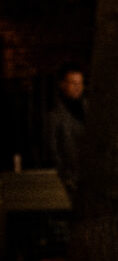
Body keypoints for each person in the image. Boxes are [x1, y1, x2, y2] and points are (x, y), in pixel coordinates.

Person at [42, 63, 86, 204]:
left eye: (80, 83)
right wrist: (66, 177)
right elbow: (52, 150)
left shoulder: (89, 110)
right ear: (63, 85)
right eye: (73, 83)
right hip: (69, 182)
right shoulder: (55, 117)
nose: (78, 87)